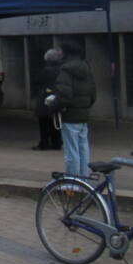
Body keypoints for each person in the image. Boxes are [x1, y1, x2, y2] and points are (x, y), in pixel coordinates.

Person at [51, 40, 96, 177]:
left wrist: (53, 106)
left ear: (65, 53)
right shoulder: (87, 69)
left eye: (60, 51)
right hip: (83, 115)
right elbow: (93, 94)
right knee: (83, 149)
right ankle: (84, 180)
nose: (58, 53)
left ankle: (72, 182)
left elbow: (64, 95)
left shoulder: (65, 70)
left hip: (69, 115)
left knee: (71, 151)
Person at [32, 48, 63, 151]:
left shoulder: (46, 70)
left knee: (44, 122)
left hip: (45, 97)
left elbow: (37, 80)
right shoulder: (61, 70)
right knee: (56, 122)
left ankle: (44, 143)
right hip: (57, 96)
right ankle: (56, 143)